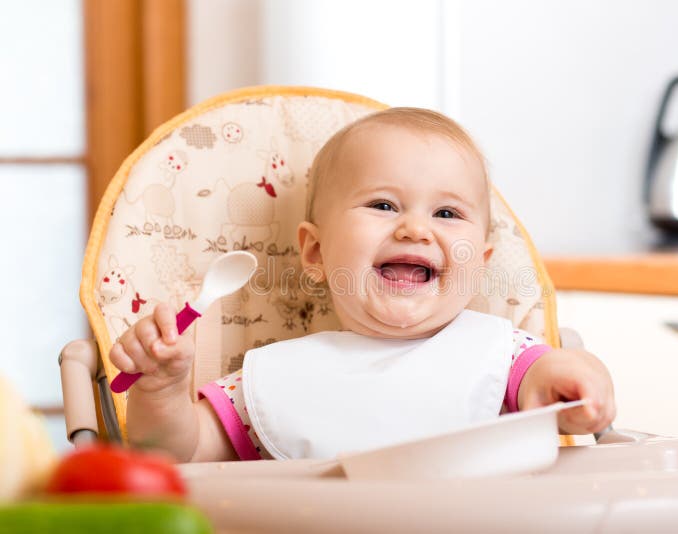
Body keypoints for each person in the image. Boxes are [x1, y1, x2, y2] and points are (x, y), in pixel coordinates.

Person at [110, 108, 615, 462]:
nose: (415, 229)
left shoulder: (502, 355)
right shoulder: (272, 379)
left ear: (480, 264)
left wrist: (581, 383)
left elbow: (556, 378)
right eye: (383, 205)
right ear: (315, 253)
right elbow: (178, 454)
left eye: (446, 213)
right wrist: (162, 389)